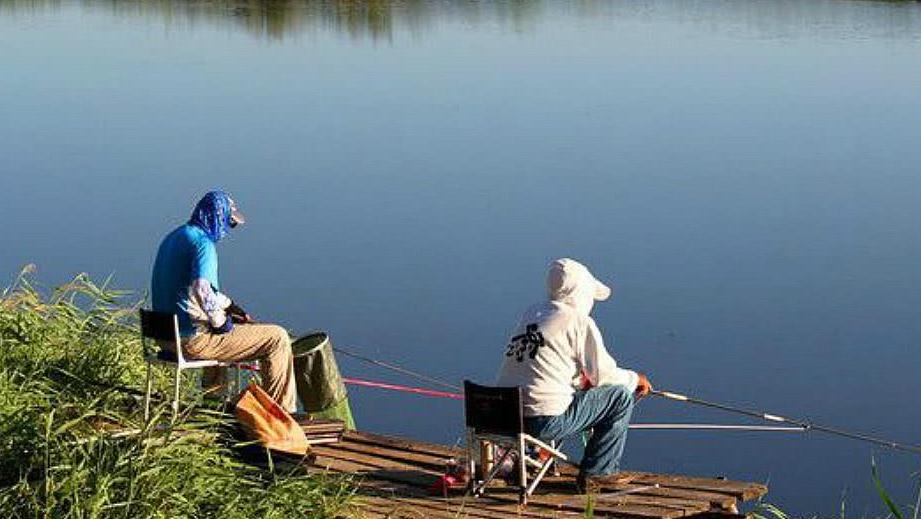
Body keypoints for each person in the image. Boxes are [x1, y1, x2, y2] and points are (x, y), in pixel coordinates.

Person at [495, 258, 652, 493]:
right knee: (619, 396)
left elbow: (543, 366)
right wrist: (635, 379)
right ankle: (599, 474)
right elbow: (604, 376)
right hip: (542, 422)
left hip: (502, 419)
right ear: (581, 293)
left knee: (582, 393)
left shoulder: (533, 313)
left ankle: (536, 458)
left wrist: (579, 380)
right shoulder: (578, 321)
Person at [150, 190, 297, 412]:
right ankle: (281, 415)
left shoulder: (174, 237)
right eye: (229, 222)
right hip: (191, 341)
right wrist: (221, 322)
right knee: (277, 338)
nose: (228, 230)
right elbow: (201, 287)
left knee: (217, 333)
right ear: (217, 218)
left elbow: (191, 290)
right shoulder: (203, 244)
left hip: (164, 338)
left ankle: (212, 408)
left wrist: (230, 307)